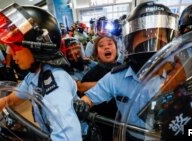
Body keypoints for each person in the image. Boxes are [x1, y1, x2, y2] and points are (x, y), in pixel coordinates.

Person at [74, 1, 178, 141]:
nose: (155, 39)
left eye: (161, 35)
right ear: (131, 41)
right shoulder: (116, 77)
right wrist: (83, 104)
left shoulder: (179, 73)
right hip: (131, 137)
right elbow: (90, 98)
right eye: (146, 35)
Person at [0, 3, 82, 141]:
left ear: (37, 46)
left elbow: (70, 138)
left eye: (15, 47)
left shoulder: (55, 83)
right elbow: (11, 99)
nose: (11, 53)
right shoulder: (34, 75)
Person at [80, 35, 119, 141]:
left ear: (116, 49)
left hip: (124, 127)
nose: (107, 47)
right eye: (101, 46)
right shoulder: (89, 76)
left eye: (110, 44)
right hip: (103, 129)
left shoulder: (125, 69)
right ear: (97, 54)